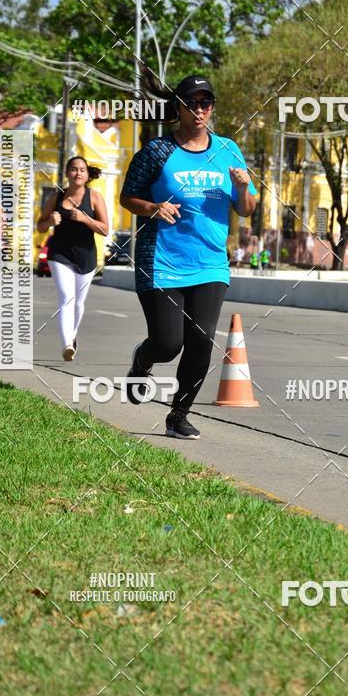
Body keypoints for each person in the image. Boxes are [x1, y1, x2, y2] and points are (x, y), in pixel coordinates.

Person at [120, 73, 257, 440]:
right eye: (192, 103)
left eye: (206, 103)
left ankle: (178, 414)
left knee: (201, 339)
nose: (200, 110)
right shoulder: (157, 152)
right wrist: (152, 207)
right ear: (178, 107)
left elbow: (246, 209)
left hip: (211, 262)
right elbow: (127, 197)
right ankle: (143, 361)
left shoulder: (228, 150)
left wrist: (243, 188)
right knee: (168, 343)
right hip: (161, 259)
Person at [37, 156, 108, 361]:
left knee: (79, 303)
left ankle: (72, 336)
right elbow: (40, 226)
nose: (78, 173)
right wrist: (49, 221)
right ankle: (67, 344)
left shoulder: (94, 198)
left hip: (86, 255)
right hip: (60, 254)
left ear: (87, 175)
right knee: (66, 298)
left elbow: (104, 229)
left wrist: (86, 219)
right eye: (74, 169)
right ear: (67, 173)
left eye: (82, 170)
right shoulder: (56, 198)